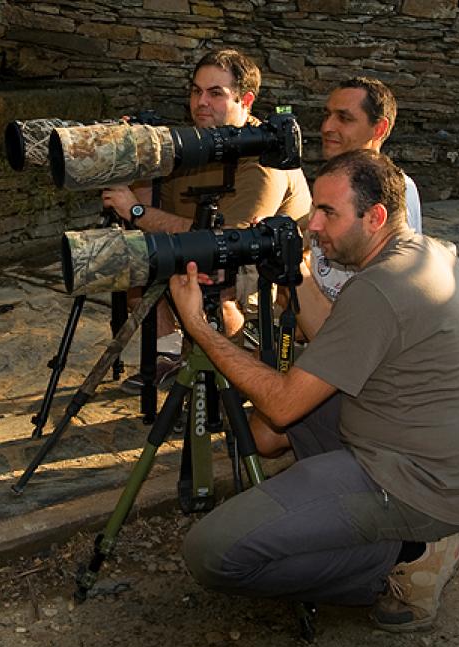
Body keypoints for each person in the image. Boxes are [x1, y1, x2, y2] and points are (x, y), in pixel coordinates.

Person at [170, 149, 459, 631]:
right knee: (263, 435)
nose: (313, 226)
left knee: (210, 553)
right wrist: (297, 271)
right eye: (314, 210)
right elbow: (337, 344)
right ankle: (354, 526)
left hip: (418, 488)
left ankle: (403, 559)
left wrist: (199, 325)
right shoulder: (423, 252)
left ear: (377, 216)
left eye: (329, 213)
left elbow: (283, 406)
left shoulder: (379, 288)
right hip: (438, 460)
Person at [101, 48, 310, 391]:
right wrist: (131, 157)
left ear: (246, 100)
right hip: (199, 244)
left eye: (215, 93)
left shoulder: (261, 159)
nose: (201, 102)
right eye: (196, 91)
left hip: (259, 262)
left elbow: (230, 239)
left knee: (219, 283)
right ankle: (170, 355)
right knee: (129, 260)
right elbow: (157, 211)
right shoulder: (199, 144)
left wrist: (138, 212)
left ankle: (227, 376)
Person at [298, 76, 423, 340]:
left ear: (379, 129)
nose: (327, 127)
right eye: (328, 115)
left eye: (344, 118)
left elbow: (384, 299)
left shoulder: (396, 193)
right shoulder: (338, 183)